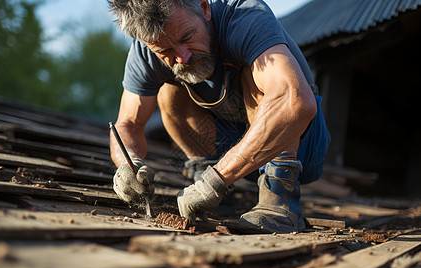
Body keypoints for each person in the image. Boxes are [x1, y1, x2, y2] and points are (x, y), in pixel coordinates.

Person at [108, 0, 330, 233]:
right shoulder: (146, 51)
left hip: (302, 145)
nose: (182, 56)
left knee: (258, 73)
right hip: (230, 147)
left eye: (187, 37)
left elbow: (294, 102)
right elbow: (128, 123)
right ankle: (212, 186)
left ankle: (279, 192)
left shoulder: (245, 15)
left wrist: (216, 179)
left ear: (204, 8)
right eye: (165, 51)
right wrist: (127, 164)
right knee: (168, 88)